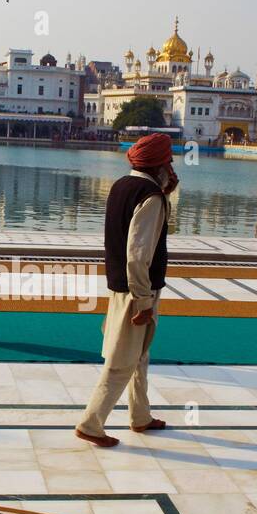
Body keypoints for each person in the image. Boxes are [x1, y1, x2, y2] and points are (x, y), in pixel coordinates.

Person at [75, 132, 179, 448]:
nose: (172, 166)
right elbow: (138, 252)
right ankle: (90, 424)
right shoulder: (150, 197)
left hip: (121, 285)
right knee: (122, 361)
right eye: (169, 161)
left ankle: (141, 415)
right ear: (159, 163)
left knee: (140, 355)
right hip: (136, 289)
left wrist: (165, 194)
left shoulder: (122, 186)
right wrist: (143, 300)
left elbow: (134, 239)